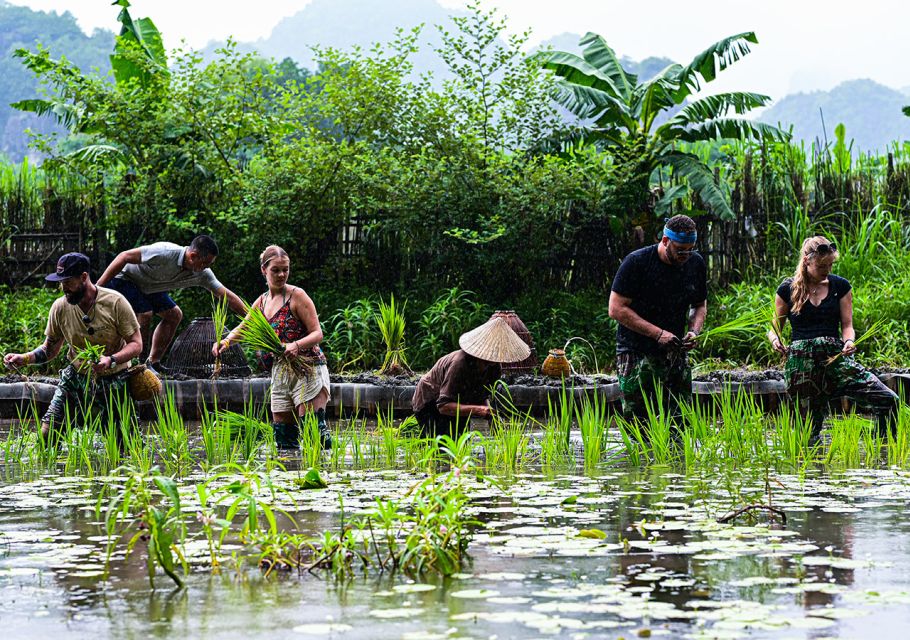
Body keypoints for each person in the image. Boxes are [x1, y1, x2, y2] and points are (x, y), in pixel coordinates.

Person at [769, 236, 899, 444]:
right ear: (807, 260)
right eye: (822, 265)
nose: (827, 270)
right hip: (803, 368)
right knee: (808, 437)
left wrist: (848, 342)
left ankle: (882, 450)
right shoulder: (788, 289)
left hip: (835, 361)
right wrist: (775, 340)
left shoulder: (840, 286)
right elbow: (775, 328)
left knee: (888, 400)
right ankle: (813, 473)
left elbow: (847, 326)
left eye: (830, 265)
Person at [3, 253, 143, 442]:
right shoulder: (60, 308)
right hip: (75, 379)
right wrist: (25, 358)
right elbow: (49, 350)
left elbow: (136, 344)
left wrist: (111, 360)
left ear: (84, 277)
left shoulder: (115, 302)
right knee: (47, 436)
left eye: (68, 281)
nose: (63, 288)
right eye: (61, 282)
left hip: (114, 379)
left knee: (126, 444)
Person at [213, 245, 332, 450]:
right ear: (263, 270)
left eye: (285, 269)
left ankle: (327, 472)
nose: (281, 274)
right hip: (281, 372)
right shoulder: (262, 301)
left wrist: (295, 345)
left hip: (308, 369)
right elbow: (244, 327)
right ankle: (288, 477)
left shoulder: (297, 296)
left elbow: (317, 334)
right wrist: (225, 342)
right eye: (275, 270)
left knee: (314, 435)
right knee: (283, 438)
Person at [608, 214, 707, 426]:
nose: (686, 254)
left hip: (675, 351)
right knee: (639, 423)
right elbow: (616, 309)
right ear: (665, 241)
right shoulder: (637, 262)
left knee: (680, 422)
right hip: (636, 351)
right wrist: (658, 334)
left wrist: (694, 331)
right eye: (680, 249)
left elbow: (699, 305)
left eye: (691, 249)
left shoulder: (695, 263)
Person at [97, 235, 246, 375]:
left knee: (174, 315)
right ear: (193, 256)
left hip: (149, 287)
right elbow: (124, 256)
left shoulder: (203, 273)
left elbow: (226, 296)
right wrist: (98, 288)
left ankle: (153, 362)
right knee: (145, 313)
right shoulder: (166, 252)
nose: (206, 267)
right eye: (205, 263)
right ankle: (138, 365)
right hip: (125, 279)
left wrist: (252, 317)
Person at [411, 317, 531, 436]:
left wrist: (491, 417)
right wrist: (480, 410)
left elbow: (482, 394)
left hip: (461, 401)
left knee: (461, 443)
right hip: (431, 402)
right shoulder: (459, 365)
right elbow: (443, 406)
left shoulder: (494, 368)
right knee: (439, 446)